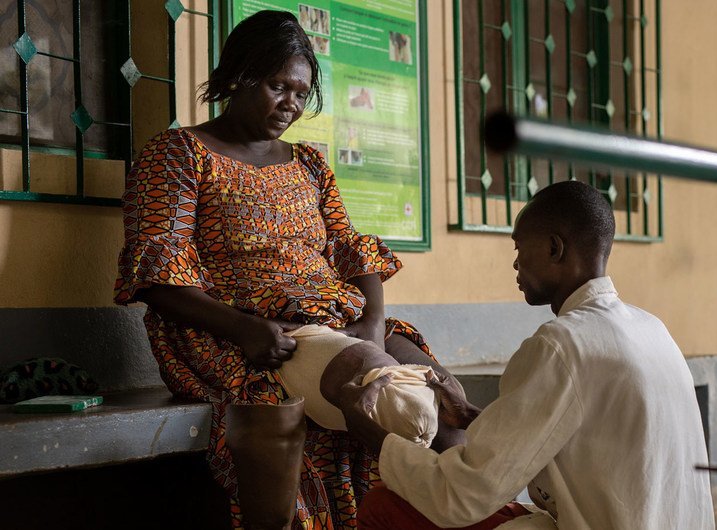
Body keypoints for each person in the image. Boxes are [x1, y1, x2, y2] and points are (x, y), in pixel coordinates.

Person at [113, 10, 472, 529]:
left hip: (337, 317)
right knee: (390, 396)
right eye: (278, 86)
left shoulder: (309, 163)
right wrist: (245, 327)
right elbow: (155, 271)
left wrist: (373, 319)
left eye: (301, 93)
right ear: (239, 74)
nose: (291, 104)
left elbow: (350, 247)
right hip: (238, 331)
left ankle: (448, 517)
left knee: (444, 398)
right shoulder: (179, 153)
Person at [336, 181, 717, 529]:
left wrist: (372, 433)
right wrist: (473, 417)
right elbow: (585, 437)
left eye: (520, 248)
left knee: (385, 505)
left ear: (554, 248)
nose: (516, 264)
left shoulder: (560, 345)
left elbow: (462, 495)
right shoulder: (651, 327)